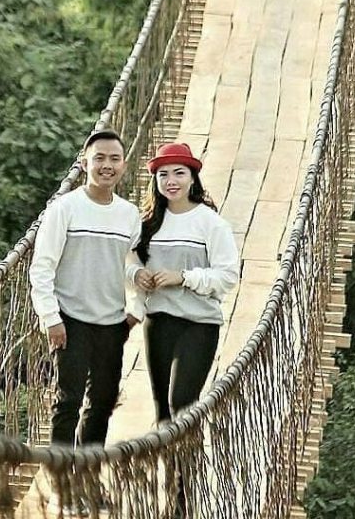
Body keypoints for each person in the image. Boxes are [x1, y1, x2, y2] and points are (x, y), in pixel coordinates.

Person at [29, 129, 142, 448]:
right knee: (68, 401)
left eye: (114, 159)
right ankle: (61, 478)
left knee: (103, 403)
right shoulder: (65, 208)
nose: (107, 165)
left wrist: (135, 311)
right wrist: (51, 318)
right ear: (84, 162)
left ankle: (87, 476)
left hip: (112, 323)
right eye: (100, 158)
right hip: (70, 320)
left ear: (123, 164)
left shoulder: (129, 214)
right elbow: (42, 266)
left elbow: (136, 268)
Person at [128, 142, 239, 426]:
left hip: (198, 324)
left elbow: (227, 277)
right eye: (163, 174)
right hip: (158, 322)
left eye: (179, 173)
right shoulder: (146, 225)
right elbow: (127, 265)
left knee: (183, 406)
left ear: (192, 178)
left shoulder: (211, 224)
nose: (171, 181)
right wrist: (137, 275)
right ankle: (174, 472)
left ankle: (186, 471)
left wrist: (184, 277)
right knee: (163, 415)